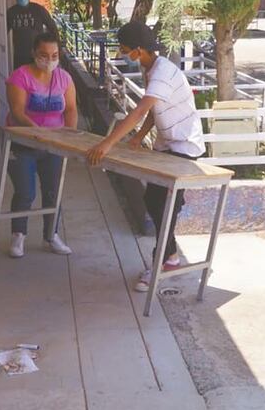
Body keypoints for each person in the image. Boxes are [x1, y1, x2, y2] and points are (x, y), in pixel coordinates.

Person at [85, 21, 205, 292]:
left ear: (140, 49)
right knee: (153, 199)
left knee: (165, 206)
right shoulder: (149, 68)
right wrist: (138, 137)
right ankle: (171, 256)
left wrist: (107, 144)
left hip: (184, 146)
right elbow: (153, 111)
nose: (125, 54)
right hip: (166, 144)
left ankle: (159, 263)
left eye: (127, 50)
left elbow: (139, 110)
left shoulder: (162, 72)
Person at [5, 32, 78, 258]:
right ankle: (19, 236)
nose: (49, 60)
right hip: (24, 143)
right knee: (25, 192)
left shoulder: (64, 78)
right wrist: (38, 134)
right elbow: (17, 112)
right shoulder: (20, 77)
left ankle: (51, 236)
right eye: (44, 55)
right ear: (34, 54)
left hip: (53, 145)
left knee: (52, 192)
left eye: (54, 55)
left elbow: (71, 109)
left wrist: (69, 137)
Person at [7, 0, 59, 69]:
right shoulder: (11, 13)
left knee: (39, 79)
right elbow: (3, 31)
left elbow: (52, 28)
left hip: (39, 54)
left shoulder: (38, 10)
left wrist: (57, 48)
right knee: (21, 80)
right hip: (20, 56)